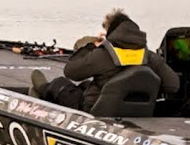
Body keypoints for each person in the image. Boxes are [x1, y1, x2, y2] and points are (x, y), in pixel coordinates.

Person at [32, 9, 180, 112]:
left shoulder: (104, 54)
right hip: (139, 111)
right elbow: (173, 85)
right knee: (86, 85)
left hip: (95, 112)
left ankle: (42, 89)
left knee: (60, 84)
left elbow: (70, 71)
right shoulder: (150, 56)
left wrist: (92, 46)